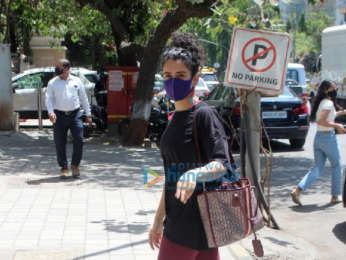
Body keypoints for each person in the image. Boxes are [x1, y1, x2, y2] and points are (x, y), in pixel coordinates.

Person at [148, 32, 232, 260]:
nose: (173, 80)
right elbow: (171, 177)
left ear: (194, 78)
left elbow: (222, 163)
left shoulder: (204, 114)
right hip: (183, 223)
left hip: (195, 226)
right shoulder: (174, 117)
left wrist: (194, 174)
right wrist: (158, 220)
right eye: (167, 75)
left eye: (180, 75)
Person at [291, 80, 346, 205]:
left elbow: (327, 116)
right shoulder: (328, 103)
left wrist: (341, 112)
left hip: (319, 137)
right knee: (337, 165)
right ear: (327, 90)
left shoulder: (321, 102)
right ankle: (335, 196)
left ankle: (297, 190)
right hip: (328, 138)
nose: (335, 91)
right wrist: (337, 125)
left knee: (317, 167)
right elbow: (321, 121)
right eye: (333, 88)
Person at [46, 59, 92, 179]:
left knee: (79, 139)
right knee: (59, 142)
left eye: (59, 67)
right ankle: (64, 167)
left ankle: (75, 165)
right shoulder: (52, 83)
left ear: (66, 68)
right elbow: (49, 99)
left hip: (75, 114)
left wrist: (88, 114)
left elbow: (83, 98)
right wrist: (51, 112)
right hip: (59, 115)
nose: (57, 70)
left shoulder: (76, 81)